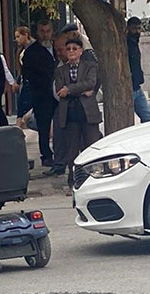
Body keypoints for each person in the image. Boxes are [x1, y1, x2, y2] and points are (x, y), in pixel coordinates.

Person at [55, 38, 102, 188]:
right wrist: (81, 91)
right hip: (69, 114)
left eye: (74, 49)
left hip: (88, 112)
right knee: (72, 150)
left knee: (92, 146)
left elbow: (91, 83)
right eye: (68, 49)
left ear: (81, 51)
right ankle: (73, 181)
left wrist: (70, 90)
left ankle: (95, 178)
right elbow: (60, 90)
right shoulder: (60, 70)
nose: (71, 52)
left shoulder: (90, 66)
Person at [23, 20, 58, 171]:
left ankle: (60, 152)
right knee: (43, 127)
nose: (45, 34)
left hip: (59, 93)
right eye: (42, 31)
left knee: (61, 125)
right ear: (37, 33)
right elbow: (28, 74)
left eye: (48, 31)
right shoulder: (31, 52)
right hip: (42, 95)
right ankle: (46, 155)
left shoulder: (59, 47)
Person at [127, 17, 150, 124]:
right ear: (128, 28)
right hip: (128, 87)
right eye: (134, 29)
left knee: (147, 117)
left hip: (137, 86)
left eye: (139, 28)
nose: (137, 32)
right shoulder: (126, 43)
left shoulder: (134, 42)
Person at [13, 26, 34, 120]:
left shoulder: (34, 48)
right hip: (24, 81)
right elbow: (21, 69)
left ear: (25, 35)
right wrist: (17, 81)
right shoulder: (21, 50)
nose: (16, 39)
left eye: (18, 36)